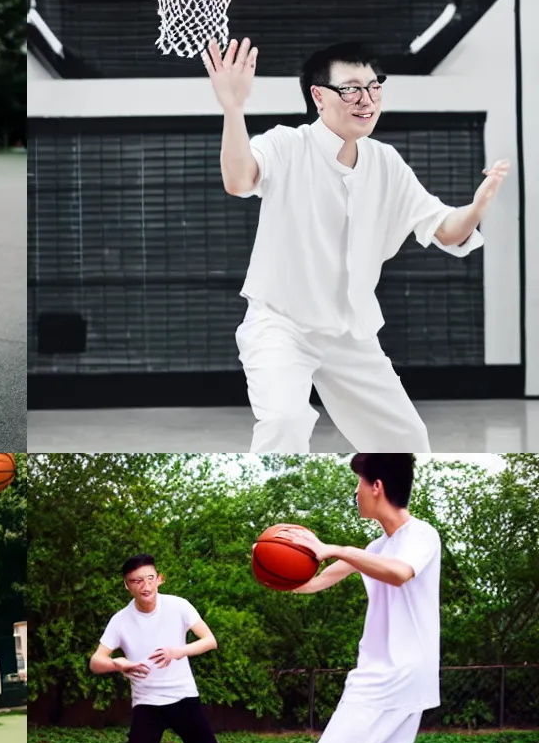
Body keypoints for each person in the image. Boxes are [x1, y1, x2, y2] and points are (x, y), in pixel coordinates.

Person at [203, 37, 509, 455]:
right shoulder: (287, 145)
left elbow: (446, 230)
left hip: (351, 332)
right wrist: (232, 107)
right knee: (284, 422)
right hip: (281, 324)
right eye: (351, 88)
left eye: (374, 86)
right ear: (319, 96)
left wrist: (478, 205)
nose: (366, 99)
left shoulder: (385, 162)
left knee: (407, 442)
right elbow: (239, 180)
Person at [272, 455, 444, 743]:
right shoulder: (376, 545)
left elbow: (402, 574)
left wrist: (338, 549)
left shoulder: (419, 535)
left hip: (387, 677)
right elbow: (318, 579)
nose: (355, 492)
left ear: (377, 487)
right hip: (406, 681)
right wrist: (280, 571)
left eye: (358, 483)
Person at [86, 553, 231, 743]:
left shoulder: (179, 606)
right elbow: (95, 661)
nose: (145, 585)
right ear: (127, 585)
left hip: (183, 697)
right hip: (148, 701)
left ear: (159, 579)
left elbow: (209, 641)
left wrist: (179, 651)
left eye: (150, 578)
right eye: (136, 581)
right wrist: (118, 663)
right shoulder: (121, 620)